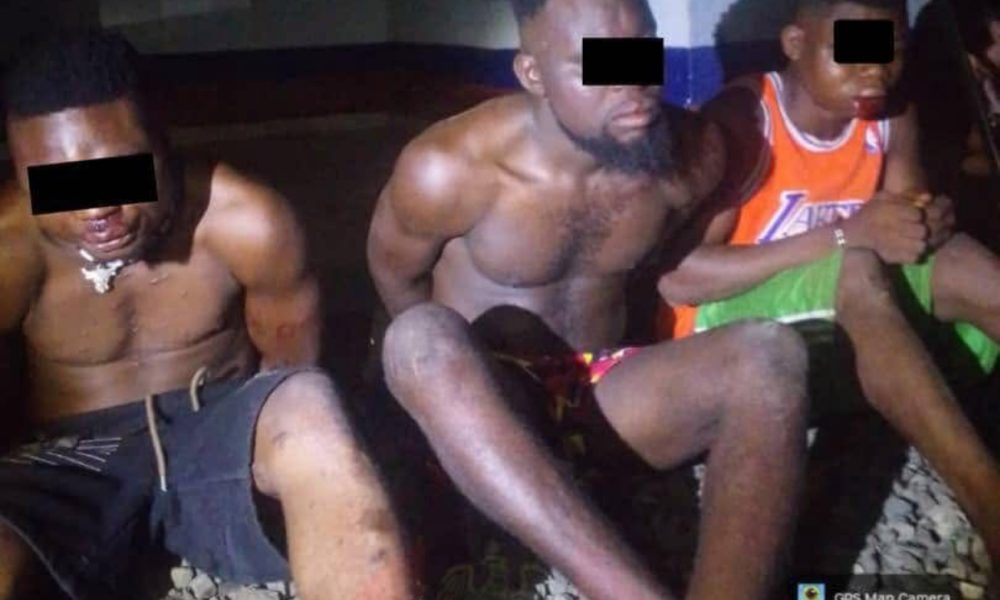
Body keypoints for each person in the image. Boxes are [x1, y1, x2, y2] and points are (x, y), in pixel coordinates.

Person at [366, 0, 812, 598]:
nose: (633, 84)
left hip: (602, 394)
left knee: (771, 355)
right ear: (533, 74)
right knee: (419, 338)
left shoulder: (691, 156)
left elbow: (671, 259)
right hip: (486, 407)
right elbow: (397, 284)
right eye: (598, 65)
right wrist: (440, 407)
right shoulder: (447, 169)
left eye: (641, 53)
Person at [0, 31, 414, 600]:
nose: (96, 207)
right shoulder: (10, 249)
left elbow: (286, 373)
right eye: (57, 184)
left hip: (211, 425)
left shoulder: (245, 221)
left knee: (311, 406)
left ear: (162, 142)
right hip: (69, 458)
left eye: (119, 170)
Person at [656, 0, 1000, 566]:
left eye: (891, 53)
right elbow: (679, 280)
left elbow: (903, 224)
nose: (875, 72)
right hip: (727, 341)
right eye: (853, 54)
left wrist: (926, 223)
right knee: (856, 266)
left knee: (960, 259)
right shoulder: (746, 119)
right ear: (795, 44)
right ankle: (988, 503)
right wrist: (844, 235)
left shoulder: (890, 114)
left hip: (841, 325)